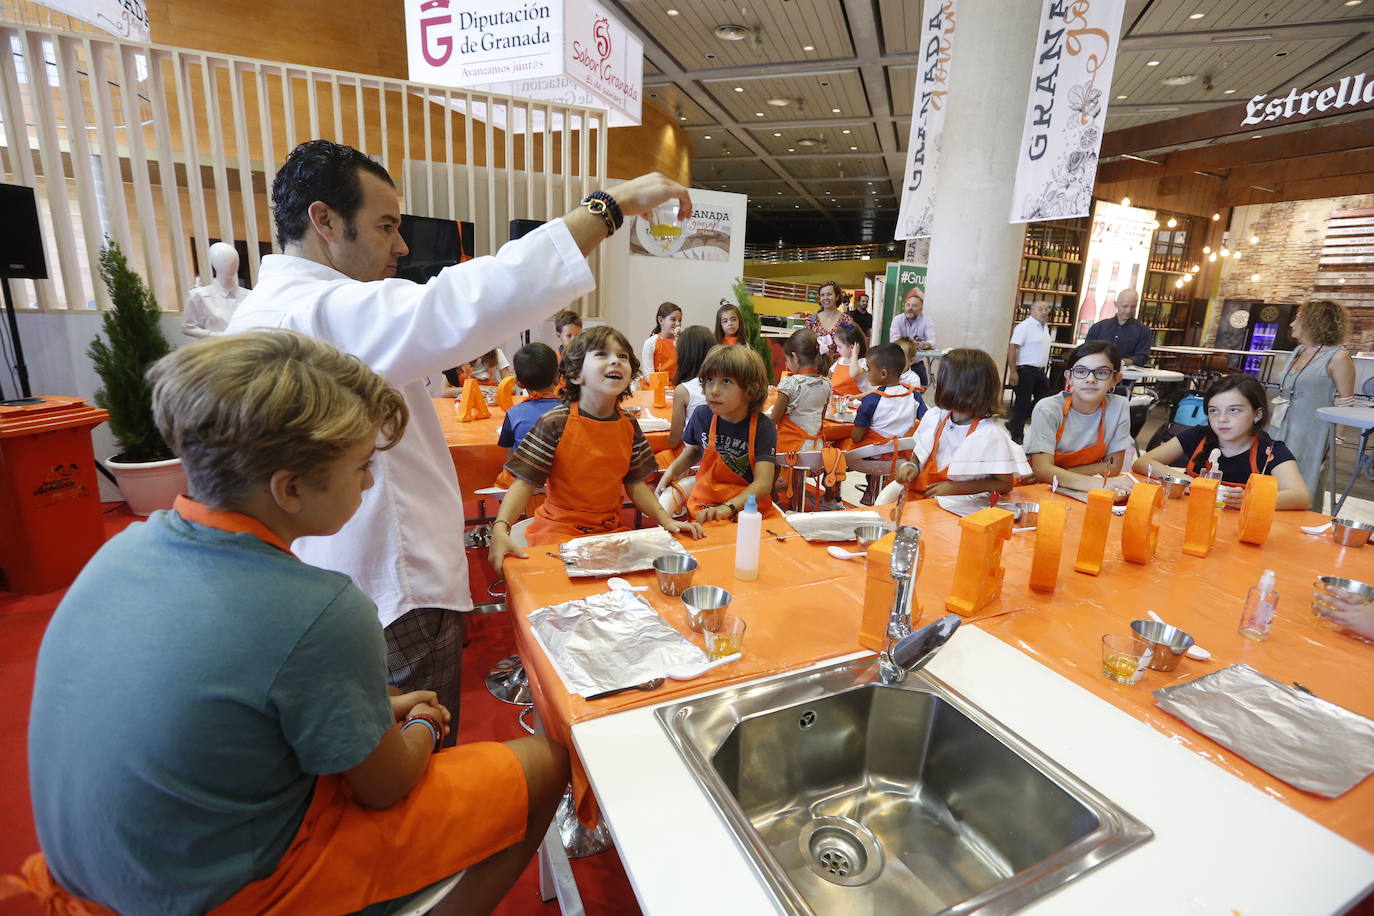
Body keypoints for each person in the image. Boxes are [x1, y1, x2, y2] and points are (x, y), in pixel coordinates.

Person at [22, 331, 569, 916]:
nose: (366, 482)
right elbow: (386, 786)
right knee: (546, 763)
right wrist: (427, 727)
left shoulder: (122, 552)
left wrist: (374, 711)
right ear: (290, 488)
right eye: (361, 467)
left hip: (109, 877)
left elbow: (231, 702)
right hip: (228, 894)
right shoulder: (320, 608)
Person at [224, 139, 692, 739]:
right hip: (390, 588)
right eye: (386, 226)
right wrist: (609, 206)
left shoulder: (273, 310)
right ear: (324, 222)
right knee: (420, 750)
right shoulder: (320, 314)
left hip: (343, 583)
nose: (401, 245)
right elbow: (463, 301)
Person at [488, 326, 705, 568]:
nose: (615, 360)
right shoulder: (554, 422)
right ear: (575, 375)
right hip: (557, 532)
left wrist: (666, 520)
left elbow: (635, 485)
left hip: (609, 531)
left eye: (622, 356)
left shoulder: (629, 424)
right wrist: (500, 528)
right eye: (602, 354)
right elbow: (524, 482)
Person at [1133, 374, 1310, 510]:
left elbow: (1301, 497)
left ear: (1257, 414)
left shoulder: (1270, 451)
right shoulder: (1198, 436)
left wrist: (1251, 498)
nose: (1222, 419)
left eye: (1234, 410)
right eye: (1213, 411)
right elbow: (1143, 462)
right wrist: (1191, 483)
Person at [883, 348, 1028, 504]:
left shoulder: (989, 435)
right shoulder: (935, 417)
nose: (939, 386)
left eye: (943, 381)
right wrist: (911, 466)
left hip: (955, 510)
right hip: (917, 503)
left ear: (961, 389)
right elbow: (918, 456)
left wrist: (955, 488)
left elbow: (1004, 484)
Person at [658, 344, 779, 521]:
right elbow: (693, 452)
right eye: (709, 380)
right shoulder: (702, 415)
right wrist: (672, 470)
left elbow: (763, 484)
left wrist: (728, 507)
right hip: (707, 504)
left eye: (726, 381)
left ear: (750, 389)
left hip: (748, 509)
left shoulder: (764, 427)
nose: (713, 390)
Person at [1268, 300, 1357, 511]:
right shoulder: (1299, 350)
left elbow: (1345, 405)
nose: (1291, 324)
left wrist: (1336, 442)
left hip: (1312, 433)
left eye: (1297, 318)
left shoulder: (1338, 357)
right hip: (1281, 426)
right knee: (1271, 472)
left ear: (1313, 321)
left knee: (1303, 478)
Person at [1025, 340, 1135, 496]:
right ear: (1069, 378)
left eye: (1102, 372)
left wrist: (1057, 473)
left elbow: (1114, 466)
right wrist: (1099, 483)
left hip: (1074, 488)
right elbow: (1042, 469)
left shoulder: (1119, 407)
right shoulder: (1048, 409)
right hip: (1036, 488)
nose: (1090, 379)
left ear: (1115, 379)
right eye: (1081, 371)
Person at [850, 343, 925, 504]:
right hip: (903, 457)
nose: (867, 373)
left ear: (883, 374)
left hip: (873, 457)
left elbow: (856, 437)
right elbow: (926, 423)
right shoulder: (915, 396)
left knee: (839, 449)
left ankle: (832, 496)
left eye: (869, 369)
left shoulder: (872, 399)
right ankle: (873, 493)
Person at [496, 343, 562, 462]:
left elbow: (510, 462)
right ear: (557, 378)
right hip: (562, 479)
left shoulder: (513, 414)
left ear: (519, 383)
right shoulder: (570, 410)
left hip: (525, 478)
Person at [658, 324, 715, 463]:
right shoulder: (724, 384)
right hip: (719, 457)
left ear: (684, 354)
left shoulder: (684, 390)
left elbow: (674, 441)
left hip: (693, 460)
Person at [769, 329, 832, 453]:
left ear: (795, 357)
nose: (786, 363)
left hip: (790, 448)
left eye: (787, 360)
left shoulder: (791, 383)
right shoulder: (826, 383)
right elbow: (821, 417)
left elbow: (773, 420)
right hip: (816, 448)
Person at [1007, 300, 1055, 443]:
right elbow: (1012, 348)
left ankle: (1014, 423)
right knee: (1023, 402)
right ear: (1031, 311)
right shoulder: (1024, 326)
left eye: (1047, 309)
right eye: (1040, 309)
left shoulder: (1044, 326)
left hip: (1039, 371)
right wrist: (1013, 371)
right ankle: (1017, 435)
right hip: (1025, 370)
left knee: (1045, 399)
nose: (1044, 312)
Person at [182, 241, 248, 338]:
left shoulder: (249, 295)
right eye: (224, 260)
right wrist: (216, 336)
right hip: (216, 349)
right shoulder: (198, 296)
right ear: (214, 263)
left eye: (234, 260)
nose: (231, 263)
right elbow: (187, 327)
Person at [1085, 288, 1150, 367]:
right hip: (1097, 373)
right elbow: (1086, 351)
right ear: (1116, 304)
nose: (1129, 311)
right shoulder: (1098, 327)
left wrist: (1121, 362)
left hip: (1126, 377)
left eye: (1133, 307)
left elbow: (1142, 357)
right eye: (1125, 306)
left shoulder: (1143, 331)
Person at [889, 287, 936, 386]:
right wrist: (910, 344)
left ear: (921, 309)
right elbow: (894, 341)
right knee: (893, 387)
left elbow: (932, 342)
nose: (910, 308)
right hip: (898, 361)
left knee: (923, 386)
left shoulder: (927, 321)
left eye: (914, 306)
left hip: (916, 361)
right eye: (908, 305)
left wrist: (924, 345)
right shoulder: (897, 320)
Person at [806, 280, 858, 362]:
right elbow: (805, 344)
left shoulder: (846, 320)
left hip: (839, 368)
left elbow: (853, 344)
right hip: (815, 367)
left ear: (837, 296)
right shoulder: (811, 320)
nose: (825, 297)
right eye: (822, 295)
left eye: (829, 294)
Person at [641, 302, 683, 378]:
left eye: (679, 320)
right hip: (656, 385)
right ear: (661, 320)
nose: (678, 324)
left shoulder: (682, 343)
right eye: (673, 319)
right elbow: (648, 374)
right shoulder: (651, 342)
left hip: (677, 386)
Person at [829, 324, 869, 397]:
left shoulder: (862, 363)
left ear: (852, 347)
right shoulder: (841, 360)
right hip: (837, 400)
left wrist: (854, 354)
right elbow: (829, 375)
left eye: (840, 347)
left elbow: (853, 373)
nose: (837, 350)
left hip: (855, 402)